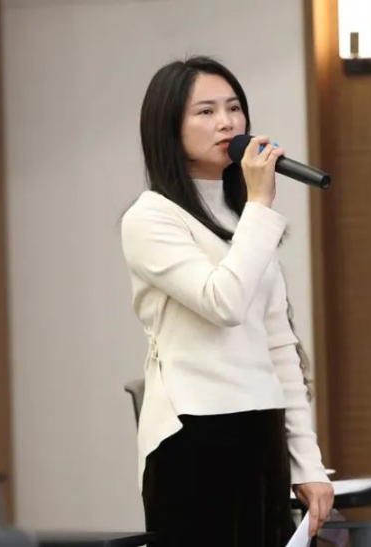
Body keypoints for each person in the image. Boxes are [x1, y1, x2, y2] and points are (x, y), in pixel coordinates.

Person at [120, 56, 334, 547]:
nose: (227, 123)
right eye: (206, 111)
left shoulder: (244, 219)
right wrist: (259, 204)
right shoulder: (151, 218)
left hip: (262, 431)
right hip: (194, 437)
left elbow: (278, 344)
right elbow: (224, 303)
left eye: (234, 108)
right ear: (168, 128)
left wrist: (307, 462)